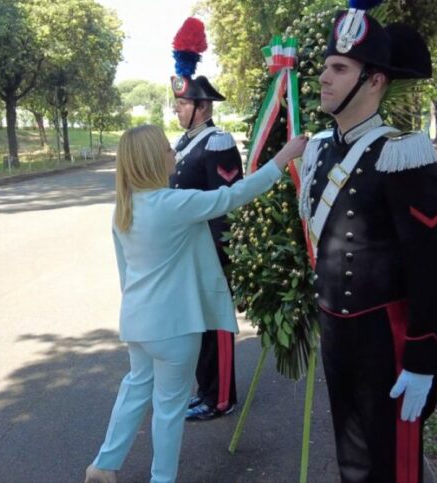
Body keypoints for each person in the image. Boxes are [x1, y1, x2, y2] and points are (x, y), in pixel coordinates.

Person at [85, 125, 306, 483]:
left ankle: (104, 465)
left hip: (137, 322)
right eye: (167, 149)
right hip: (174, 325)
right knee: (168, 410)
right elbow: (235, 195)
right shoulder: (173, 203)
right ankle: (161, 479)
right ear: (153, 159)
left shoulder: (123, 209)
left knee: (135, 389)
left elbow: (125, 275)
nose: (174, 153)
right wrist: (283, 157)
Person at [298, 9, 437, 482]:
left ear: (374, 81)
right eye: (327, 65)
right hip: (335, 332)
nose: (324, 77)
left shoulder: (401, 154)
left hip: (383, 342)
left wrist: (423, 360)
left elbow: (434, 269)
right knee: (352, 459)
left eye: (340, 68)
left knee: (393, 465)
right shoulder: (321, 149)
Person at [169, 17, 245, 421]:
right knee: (198, 328)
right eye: (178, 103)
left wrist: (222, 255)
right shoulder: (185, 142)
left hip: (211, 252)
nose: (178, 109)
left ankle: (221, 397)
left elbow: (226, 201)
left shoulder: (217, 141)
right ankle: (205, 389)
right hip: (188, 251)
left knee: (215, 326)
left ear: (202, 106)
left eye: (183, 103)